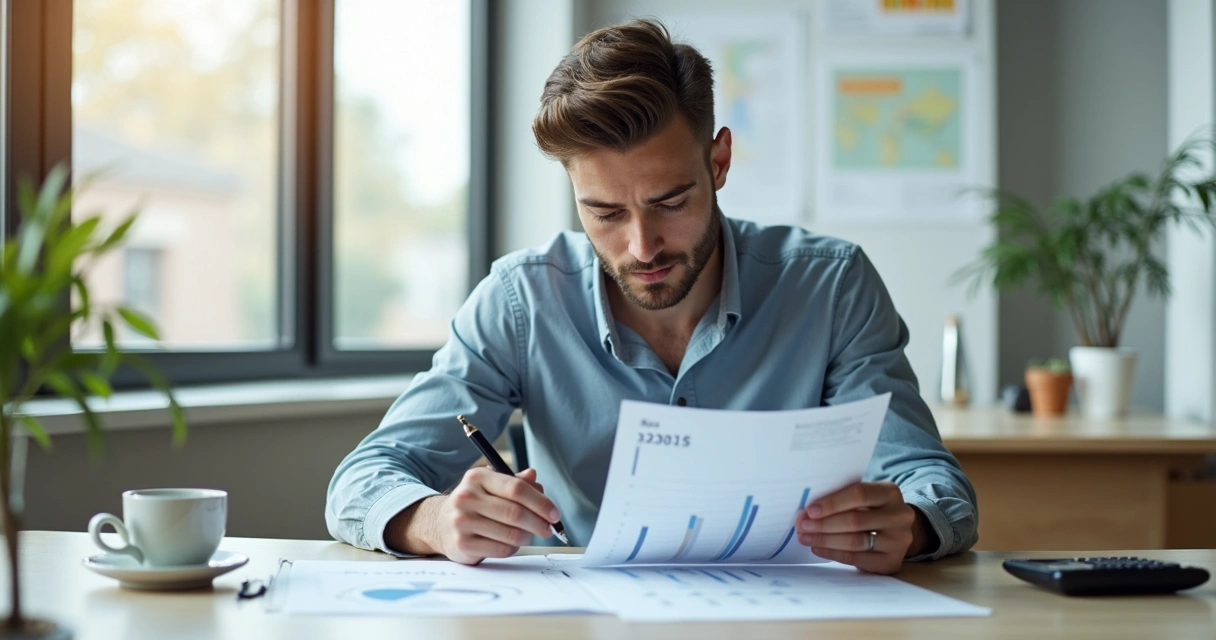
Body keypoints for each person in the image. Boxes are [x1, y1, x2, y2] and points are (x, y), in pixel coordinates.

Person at [326, 18, 977, 575]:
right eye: (604, 212)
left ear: (718, 162)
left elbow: (935, 481)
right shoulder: (520, 301)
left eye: (670, 202)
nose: (642, 246)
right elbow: (363, 477)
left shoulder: (831, 286)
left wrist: (910, 524)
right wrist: (435, 519)